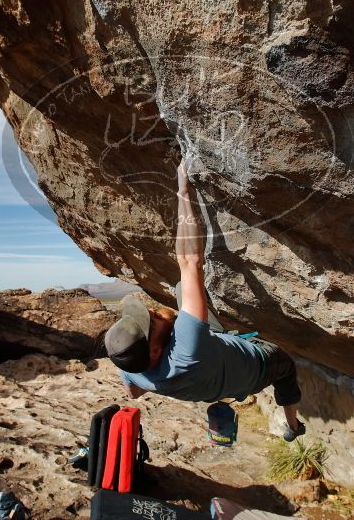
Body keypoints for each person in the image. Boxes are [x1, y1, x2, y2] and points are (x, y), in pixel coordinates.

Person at [103, 159, 305, 442]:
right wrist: (183, 190)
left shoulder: (136, 370)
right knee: (286, 368)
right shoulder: (186, 348)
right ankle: (293, 425)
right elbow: (190, 260)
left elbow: (134, 392)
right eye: (150, 322)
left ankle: (290, 423)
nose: (150, 310)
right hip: (258, 367)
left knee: (180, 288)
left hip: (214, 372)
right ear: (154, 353)